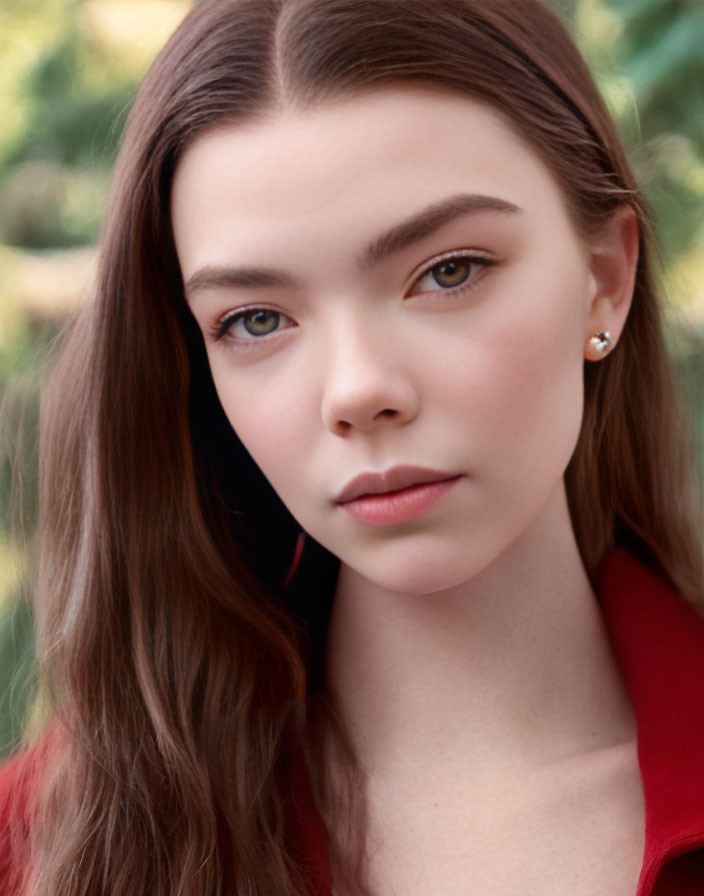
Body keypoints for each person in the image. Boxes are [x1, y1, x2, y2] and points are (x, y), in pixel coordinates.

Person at [1, 0, 703, 893]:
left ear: (607, 279)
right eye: (256, 320)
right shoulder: (34, 852)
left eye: (449, 271)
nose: (358, 389)